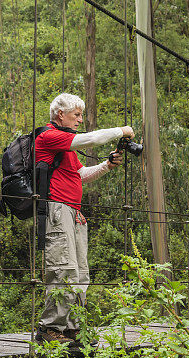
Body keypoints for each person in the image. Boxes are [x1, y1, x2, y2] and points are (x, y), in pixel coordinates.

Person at [34, 93, 134, 344]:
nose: (80, 119)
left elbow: (81, 174)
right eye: (76, 114)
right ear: (60, 115)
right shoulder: (49, 136)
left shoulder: (66, 146)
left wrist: (108, 165)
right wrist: (121, 130)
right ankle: (49, 329)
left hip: (73, 212)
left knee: (80, 272)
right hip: (57, 210)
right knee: (63, 269)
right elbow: (91, 139)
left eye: (81, 115)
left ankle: (72, 327)